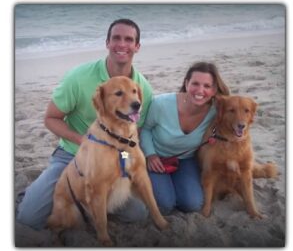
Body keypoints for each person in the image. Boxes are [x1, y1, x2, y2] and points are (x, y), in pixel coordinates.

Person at [16, 19, 153, 230]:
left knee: (137, 214)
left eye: (129, 39)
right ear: (107, 42)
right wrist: (85, 141)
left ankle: (90, 207)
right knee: (29, 218)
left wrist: (128, 161)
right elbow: (50, 118)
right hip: (72, 156)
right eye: (116, 38)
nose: (122, 44)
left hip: (115, 161)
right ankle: (34, 192)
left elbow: (136, 132)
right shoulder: (79, 77)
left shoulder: (142, 87)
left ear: (137, 46)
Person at [140, 62, 230, 215]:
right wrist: (150, 155)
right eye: (195, 83)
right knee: (165, 205)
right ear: (186, 83)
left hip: (185, 159)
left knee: (192, 204)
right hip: (156, 157)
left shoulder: (216, 112)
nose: (200, 90)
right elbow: (145, 129)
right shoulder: (161, 103)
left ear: (214, 90)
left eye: (207, 86)